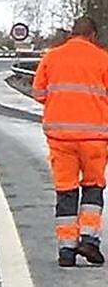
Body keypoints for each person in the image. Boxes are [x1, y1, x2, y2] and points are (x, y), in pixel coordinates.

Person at [31, 16, 108, 267]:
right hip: (95, 138)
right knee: (93, 188)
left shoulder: (52, 57)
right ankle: (89, 238)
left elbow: (39, 92)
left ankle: (66, 251)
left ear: (71, 34)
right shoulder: (102, 58)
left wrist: (60, 106)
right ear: (93, 35)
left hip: (60, 137)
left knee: (66, 191)